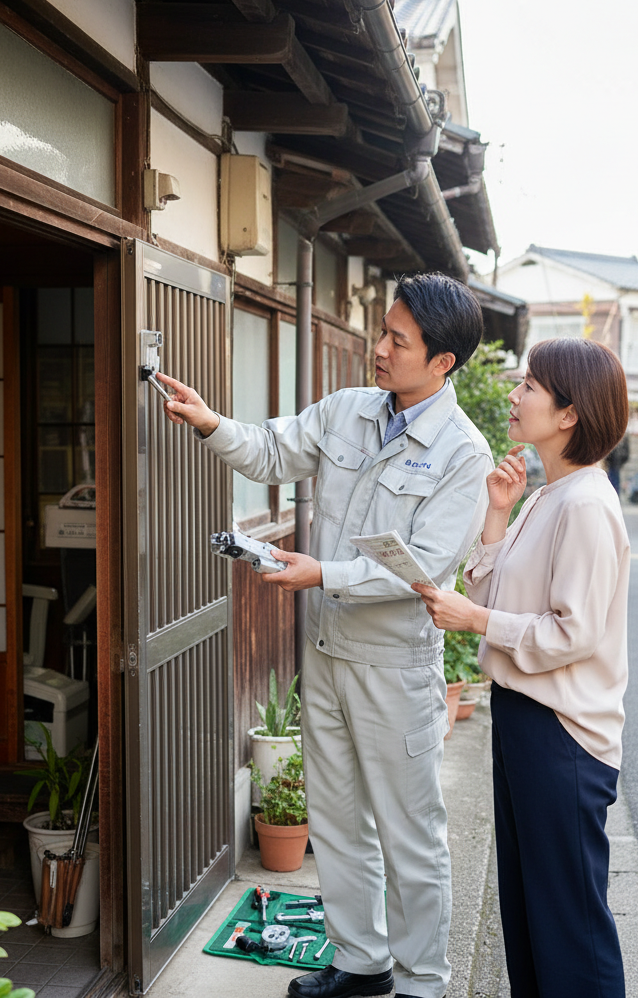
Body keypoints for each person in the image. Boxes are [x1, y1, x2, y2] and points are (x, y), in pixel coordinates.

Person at [157, 273, 493, 998]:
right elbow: (269, 451)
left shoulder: (465, 455)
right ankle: (361, 964)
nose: (380, 349)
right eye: (383, 331)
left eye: (398, 340)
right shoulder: (348, 410)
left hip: (394, 666)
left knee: (409, 832)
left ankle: (423, 984)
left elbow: (426, 569)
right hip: (327, 651)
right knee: (337, 822)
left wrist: (321, 574)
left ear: (443, 362)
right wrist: (211, 423)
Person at [413, 337, 631, 998]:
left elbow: (573, 633)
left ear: (569, 413)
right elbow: (495, 593)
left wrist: (475, 619)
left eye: (529, 385)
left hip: (561, 731)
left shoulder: (586, 504)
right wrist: (499, 513)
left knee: (568, 920)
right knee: (531, 909)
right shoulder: (548, 496)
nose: (514, 395)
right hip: (526, 716)